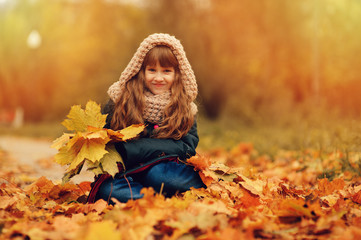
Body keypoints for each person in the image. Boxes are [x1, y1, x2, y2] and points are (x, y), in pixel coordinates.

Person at [87, 33, 206, 204]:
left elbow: (187, 147)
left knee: (161, 176)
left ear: (177, 74)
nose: (158, 78)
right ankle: (153, 201)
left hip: (165, 169)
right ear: (140, 71)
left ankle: (159, 196)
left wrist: (133, 149)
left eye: (166, 71)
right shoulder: (121, 100)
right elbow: (105, 140)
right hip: (126, 172)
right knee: (109, 190)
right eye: (152, 70)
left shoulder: (184, 107)